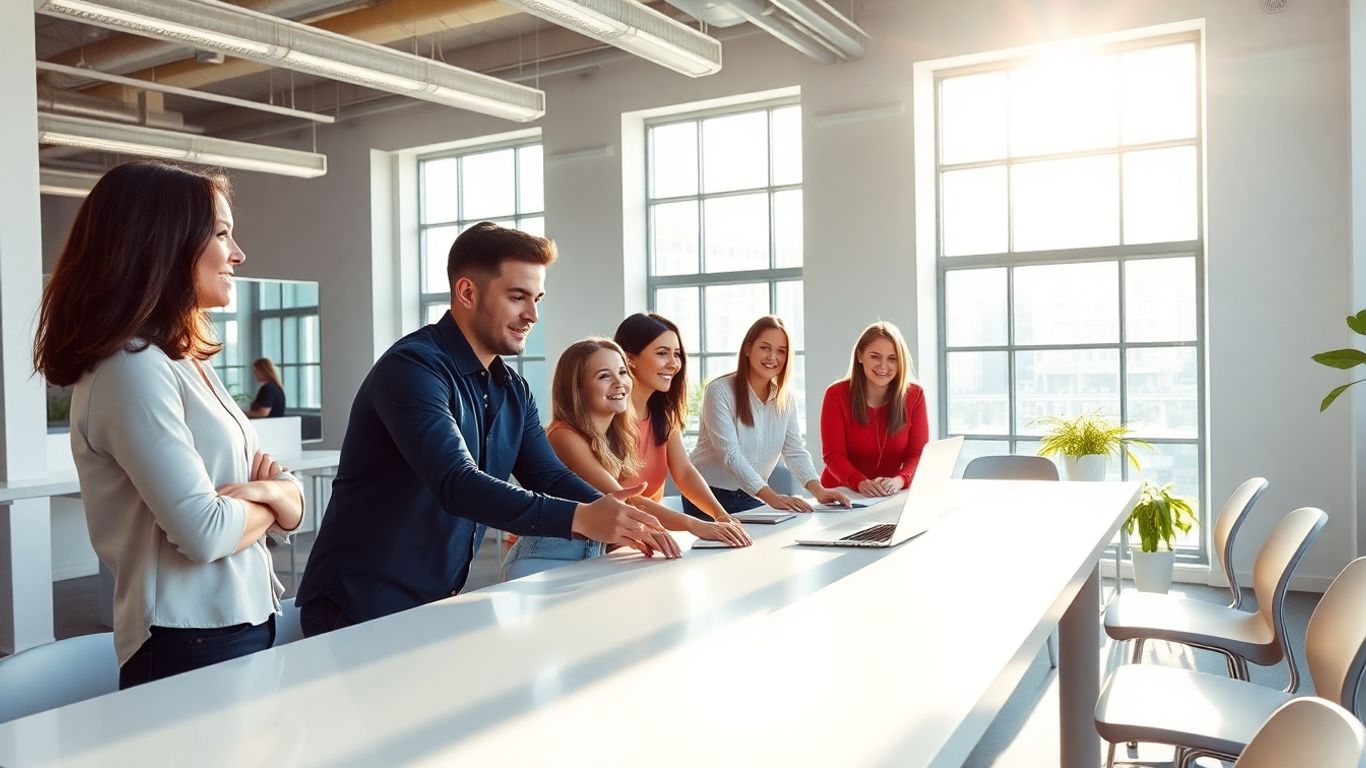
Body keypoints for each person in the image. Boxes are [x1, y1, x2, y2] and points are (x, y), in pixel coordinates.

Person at [294, 223, 678, 636]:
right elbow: (457, 482)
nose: (532, 315)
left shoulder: (512, 389)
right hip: (359, 603)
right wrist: (583, 518)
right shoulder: (412, 368)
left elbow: (548, 475)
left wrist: (626, 518)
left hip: (437, 599)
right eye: (517, 298)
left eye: (536, 299)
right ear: (467, 293)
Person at [32, 161, 304, 689]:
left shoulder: (182, 359)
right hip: (192, 638)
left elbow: (283, 500)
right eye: (222, 234)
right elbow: (204, 533)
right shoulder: (130, 369)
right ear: (163, 244)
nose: (238, 253)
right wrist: (279, 500)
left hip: (246, 618)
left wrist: (276, 491)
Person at [504, 339, 750, 578]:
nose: (619, 382)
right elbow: (623, 500)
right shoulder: (563, 436)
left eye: (622, 372)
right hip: (544, 560)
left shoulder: (615, 436)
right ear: (577, 388)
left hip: (591, 556)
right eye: (604, 376)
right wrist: (695, 525)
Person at [689, 315, 851, 515]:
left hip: (752, 495)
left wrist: (819, 491)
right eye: (765, 348)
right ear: (748, 348)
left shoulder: (786, 399)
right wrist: (771, 497)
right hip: (706, 495)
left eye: (781, 351)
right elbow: (730, 455)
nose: (772, 357)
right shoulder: (719, 391)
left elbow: (794, 451)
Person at [613, 313, 735, 523]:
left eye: (676, 354)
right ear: (629, 359)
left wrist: (721, 515)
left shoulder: (664, 417)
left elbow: (685, 473)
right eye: (662, 353)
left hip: (648, 537)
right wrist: (694, 525)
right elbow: (624, 496)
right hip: (608, 543)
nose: (674, 364)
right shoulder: (609, 416)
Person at [820, 321, 928, 497]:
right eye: (875, 356)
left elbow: (917, 453)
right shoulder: (836, 395)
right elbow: (833, 456)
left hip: (889, 494)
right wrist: (860, 482)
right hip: (842, 494)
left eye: (892, 358)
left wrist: (900, 480)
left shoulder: (914, 395)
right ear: (860, 356)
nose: (883, 366)